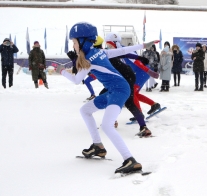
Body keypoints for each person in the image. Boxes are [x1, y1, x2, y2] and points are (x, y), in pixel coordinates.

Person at [57, 22, 157, 174]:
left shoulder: (89, 59)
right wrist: (143, 45)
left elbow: (77, 80)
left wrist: (61, 71)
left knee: (107, 125)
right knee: (85, 110)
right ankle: (98, 146)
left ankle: (130, 160)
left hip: (119, 90)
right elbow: (123, 50)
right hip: (114, 90)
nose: (73, 45)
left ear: (83, 41)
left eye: (74, 42)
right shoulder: (99, 52)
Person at [105, 32, 155, 137]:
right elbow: (126, 54)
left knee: (121, 100)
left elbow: (126, 53)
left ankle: (113, 121)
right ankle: (143, 127)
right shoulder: (111, 52)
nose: (108, 48)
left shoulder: (110, 52)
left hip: (126, 77)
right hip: (126, 75)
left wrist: (140, 57)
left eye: (110, 45)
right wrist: (139, 58)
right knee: (127, 101)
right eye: (107, 46)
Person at [83, 36, 104, 101]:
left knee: (87, 81)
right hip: (100, 71)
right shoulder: (101, 51)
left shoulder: (93, 52)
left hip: (98, 72)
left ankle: (93, 95)